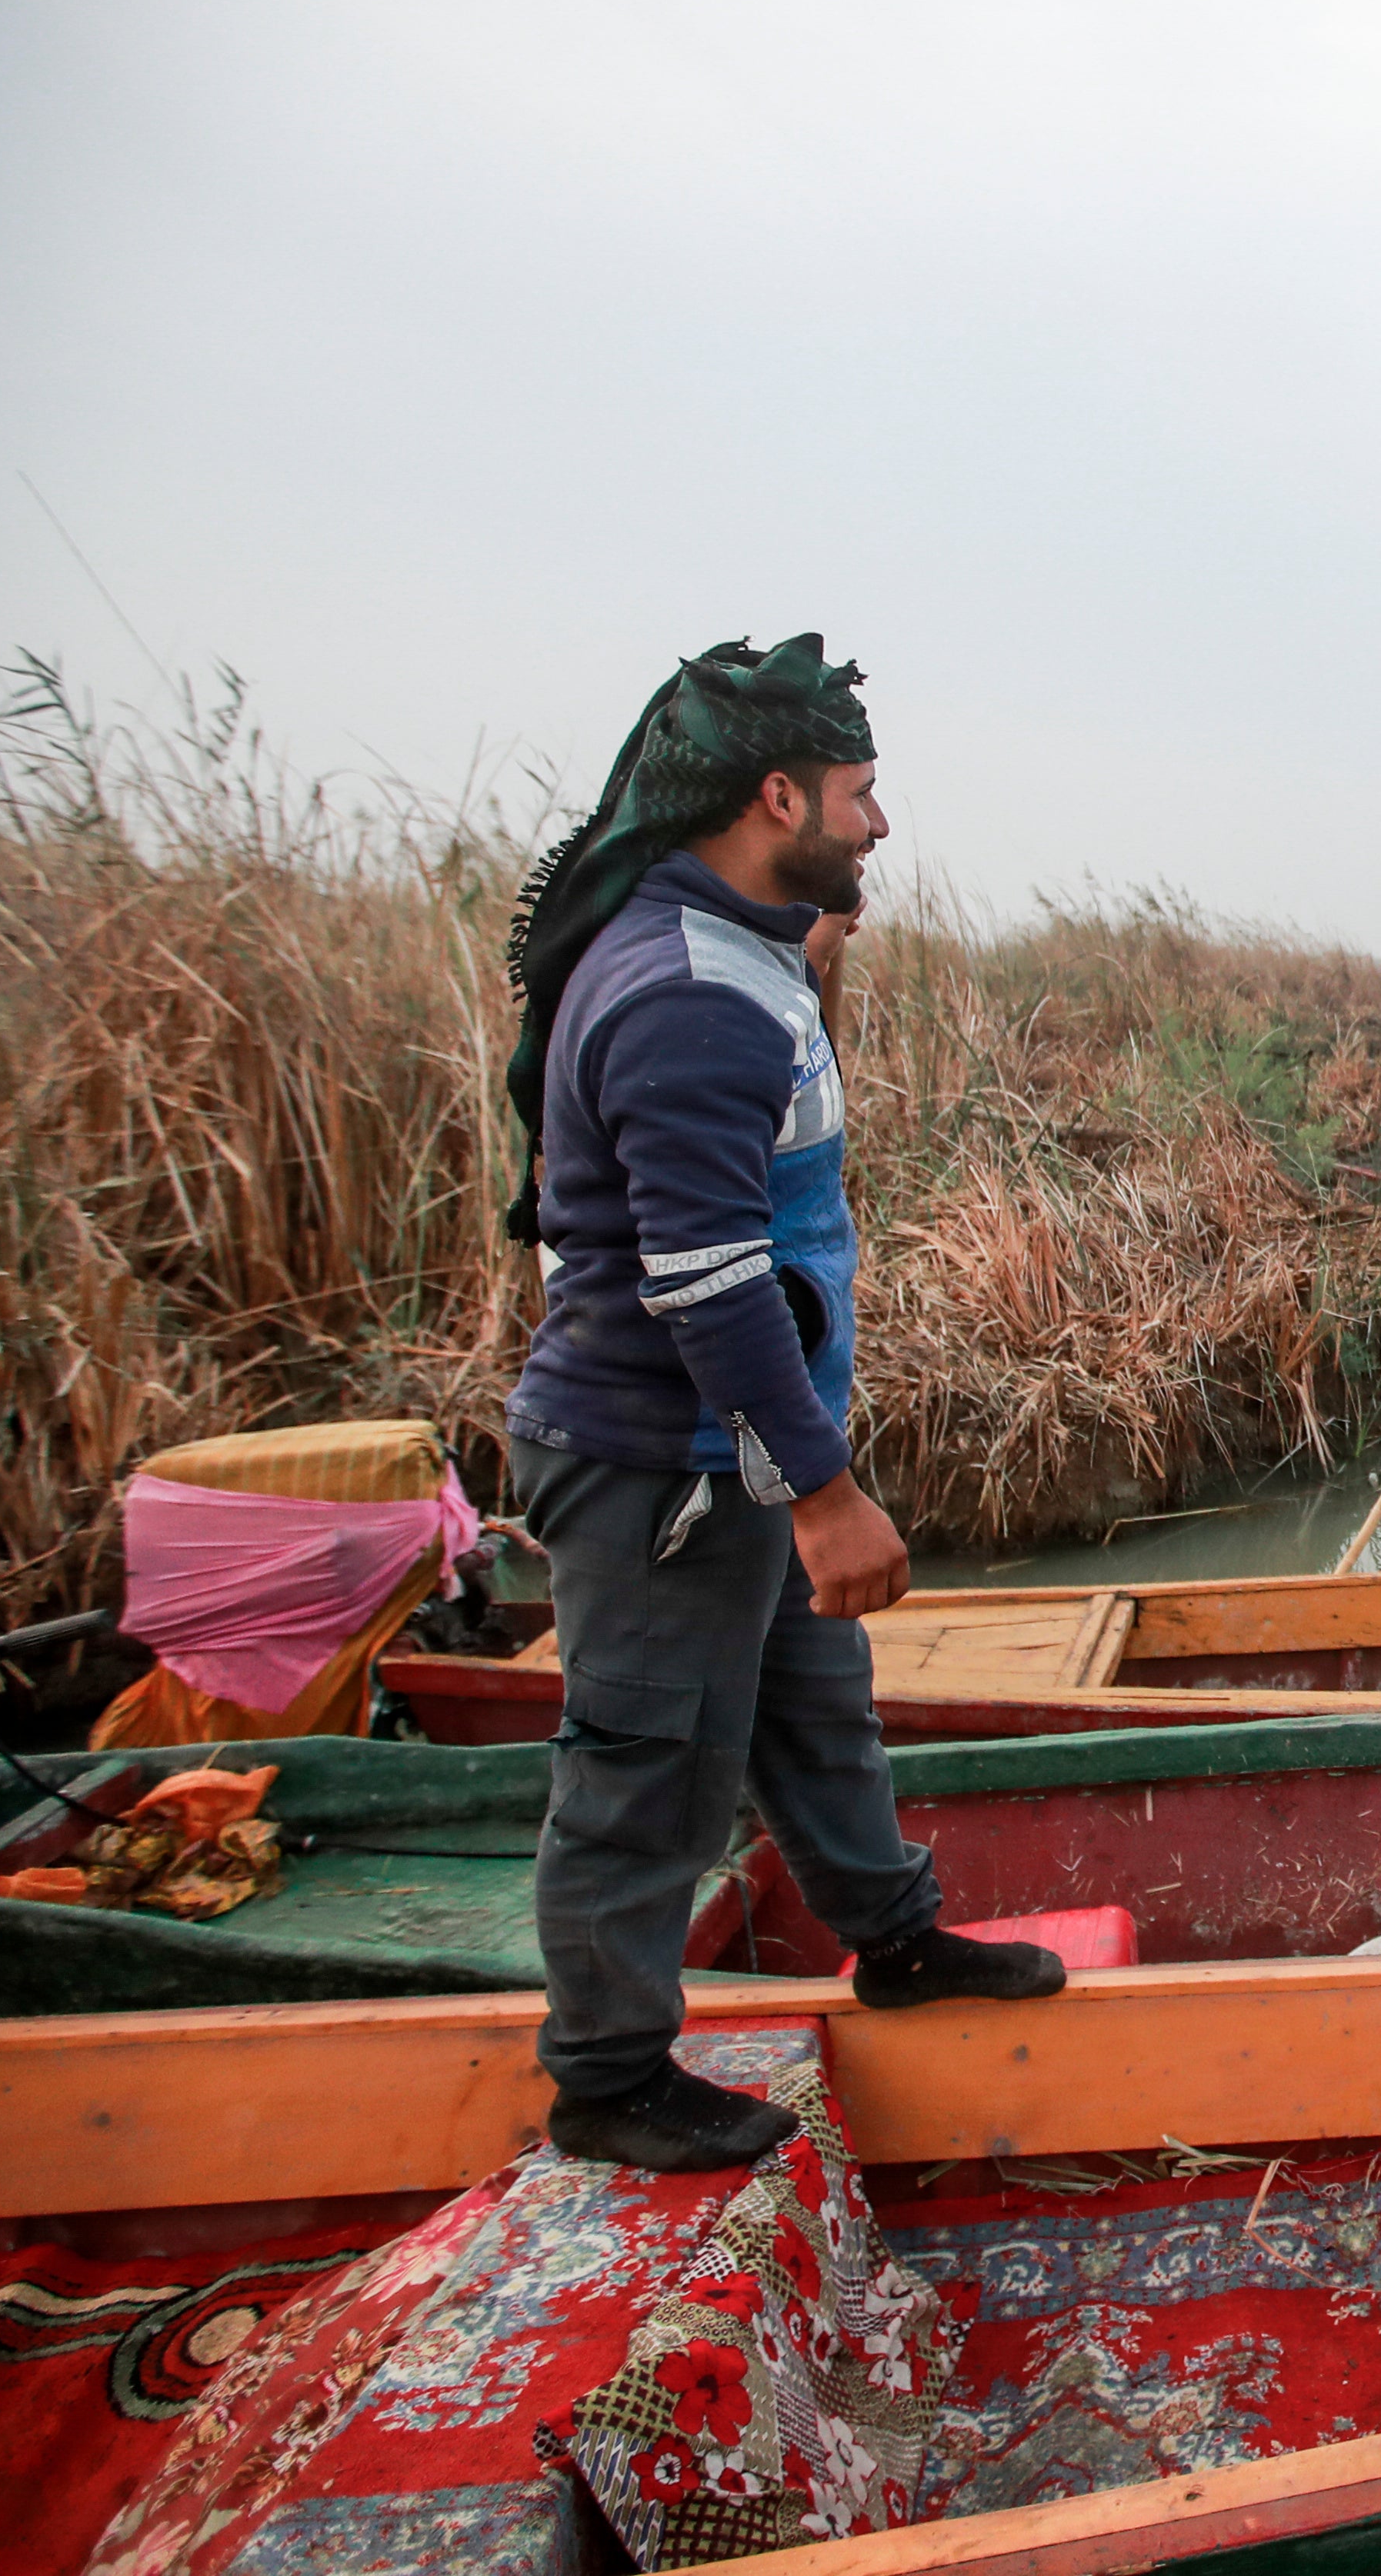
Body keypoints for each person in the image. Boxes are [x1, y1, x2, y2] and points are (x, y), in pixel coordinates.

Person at [499, 634, 1062, 2171]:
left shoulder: (740, 944)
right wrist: (822, 1490)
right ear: (773, 795)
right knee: (646, 1775)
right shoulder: (689, 997)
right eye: (860, 796)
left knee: (817, 1719)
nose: (880, 825)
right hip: (657, 1462)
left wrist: (819, 935)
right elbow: (698, 1280)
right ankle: (610, 2079)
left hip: (727, 1447)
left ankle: (899, 1941)